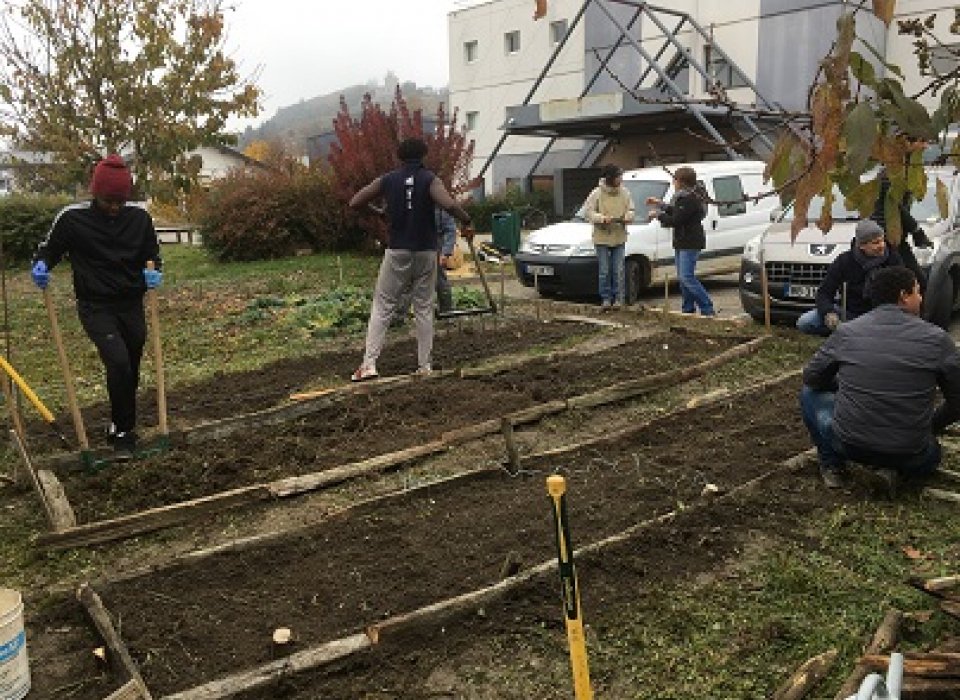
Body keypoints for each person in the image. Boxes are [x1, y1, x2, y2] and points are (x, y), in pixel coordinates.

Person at [30, 154, 162, 452]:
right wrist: (40, 266)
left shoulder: (138, 219)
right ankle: (123, 432)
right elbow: (48, 251)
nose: (114, 208)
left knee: (130, 364)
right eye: (107, 201)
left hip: (131, 302)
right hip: (95, 305)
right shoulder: (72, 219)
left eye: (119, 202)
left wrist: (154, 272)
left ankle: (120, 423)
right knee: (117, 361)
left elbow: (152, 254)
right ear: (95, 193)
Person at [800, 266, 960, 493]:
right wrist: (930, 426)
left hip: (850, 446)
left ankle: (833, 466)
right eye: (917, 291)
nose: (921, 297)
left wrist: (841, 387)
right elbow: (957, 402)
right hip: (912, 453)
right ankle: (893, 472)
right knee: (929, 455)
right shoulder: (937, 339)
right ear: (904, 296)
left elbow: (812, 377)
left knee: (809, 393)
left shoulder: (847, 333)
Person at [349, 137, 472, 381]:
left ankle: (369, 365)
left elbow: (356, 202)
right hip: (427, 252)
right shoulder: (430, 179)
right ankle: (424, 366)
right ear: (423, 155)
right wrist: (468, 221)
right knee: (424, 308)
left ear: (400, 156)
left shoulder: (387, 179)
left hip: (397, 251)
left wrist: (380, 212)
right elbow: (448, 204)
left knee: (383, 306)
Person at [796, 219, 904, 336]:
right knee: (805, 322)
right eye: (875, 243)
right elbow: (824, 292)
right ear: (862, 245)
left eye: (882, 240)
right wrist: (828, 313)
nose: (882, 246)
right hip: (850, 313)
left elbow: (904, 290)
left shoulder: (893, 260)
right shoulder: (844, 261)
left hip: (882, 315)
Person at [646, 166, 714, 316]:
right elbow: (676, 210)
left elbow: (676, 219)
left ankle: (707, 308)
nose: (673, 182)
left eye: (675, 179)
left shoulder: (688, 198)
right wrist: (660, 204)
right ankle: (687, 308)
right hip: (682, 240)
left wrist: (658, 215)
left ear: (681, 182)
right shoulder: (684, 197)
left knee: (687, 277)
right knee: (683, 279)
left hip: (690, 241)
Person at [583, 164, 635, 310]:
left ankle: (619, 299)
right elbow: (588, 212)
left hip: (619, 236)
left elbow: (631, 208)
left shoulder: (625, 193)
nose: (620, 179)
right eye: (618, 176)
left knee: (618, 269)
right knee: (604, 270)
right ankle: (606, 298)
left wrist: (628, 216)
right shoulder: (596, 193)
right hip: (602, 237)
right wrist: (601, 218)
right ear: (609, 178)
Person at [393, 206, 458, 323]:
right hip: (413, 244)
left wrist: (445, 252)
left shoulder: (441, 208)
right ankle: (399, 315)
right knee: (408, 280)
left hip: (434, 246)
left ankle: (447, 313)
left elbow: (450, 230)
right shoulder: (414, 201)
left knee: (439, 280)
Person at [870, 171, 932, 291]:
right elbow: (899, 209)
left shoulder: (887, 175)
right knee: (914, 281)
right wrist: (917, 232)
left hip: (890, 236)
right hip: (889, 237)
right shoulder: (891, 177)